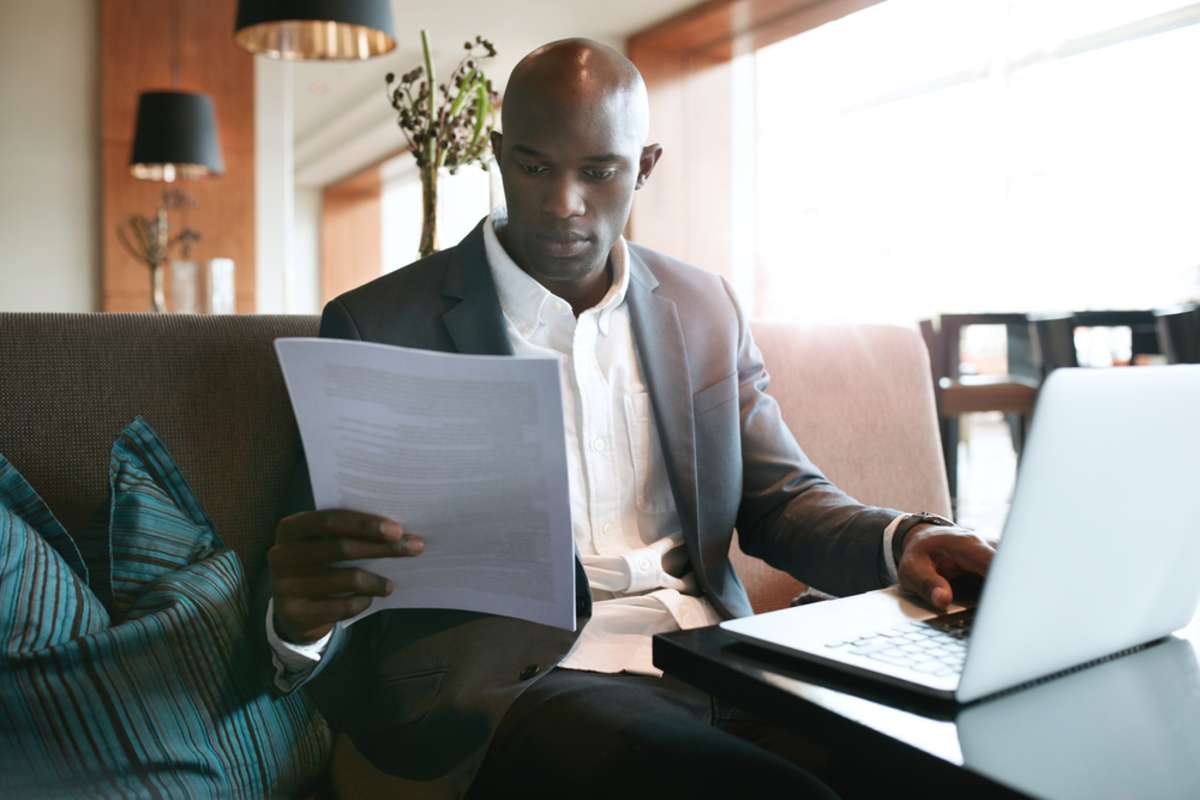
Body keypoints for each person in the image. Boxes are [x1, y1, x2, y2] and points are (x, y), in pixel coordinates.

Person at [261, 38, 995, 799]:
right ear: (497, 152)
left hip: (717, 659)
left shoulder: (704, 307)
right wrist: (298, 622)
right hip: (517, 691)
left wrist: (905, 538)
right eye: (535, 166)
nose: (562, 204)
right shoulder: (378, 322)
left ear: (644, 166)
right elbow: (313, 573)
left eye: (599, 172)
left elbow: (783, 502)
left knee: (943, 765)